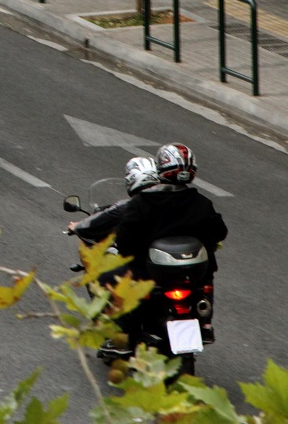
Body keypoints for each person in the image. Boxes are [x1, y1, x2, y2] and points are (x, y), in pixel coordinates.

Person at [69, 145, 227, 349]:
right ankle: (204, 323)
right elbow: (219, 232)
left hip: (148, 273)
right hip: (193, 274)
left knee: (103, 277)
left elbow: (126, 241)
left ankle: (123, 333)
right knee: (205, 280)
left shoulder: (143, 203)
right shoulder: (201, 203)